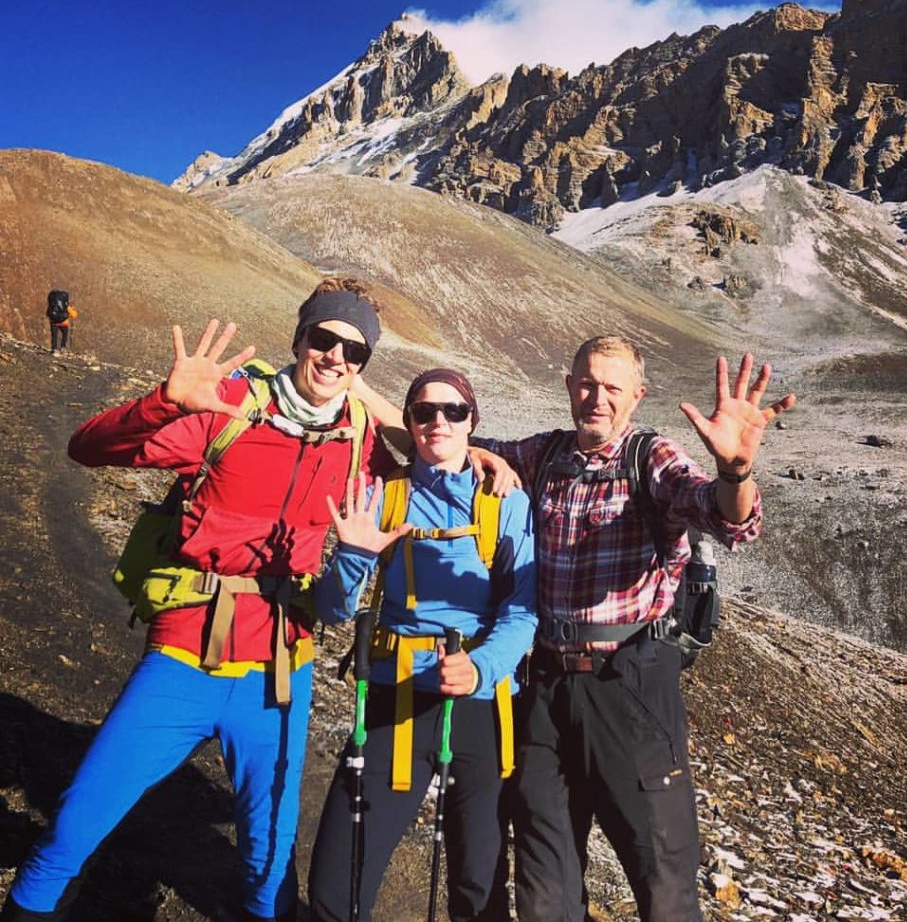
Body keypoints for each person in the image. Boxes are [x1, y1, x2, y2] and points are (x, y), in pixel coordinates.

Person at [357, 337, 796, 921]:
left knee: (662, 883)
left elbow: (724, 516)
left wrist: (734, 468)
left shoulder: (652, 459)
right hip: (543, 691)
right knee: (543, 886)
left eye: (613, 388)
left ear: (636, 397)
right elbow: (441, 441)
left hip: (629, 688)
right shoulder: (544, 454)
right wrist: (354, 388)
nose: (597, 398)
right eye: (587, 384)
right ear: (569, 386)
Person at [2, 277, 396, 922]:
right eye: (324, 339)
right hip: (186, 653)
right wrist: (165, 401)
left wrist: (490, 461)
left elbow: (439, 443)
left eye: (355, 352)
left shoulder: (358, 443)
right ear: (300, 339)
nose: (335, 359)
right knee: (77, 821)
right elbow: (89, 447)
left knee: (270, 856)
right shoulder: (230, 410)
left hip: (280, 670)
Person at [308, 368, 537, 922]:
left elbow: (524, 609)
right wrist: (354, 557)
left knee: (479, 878)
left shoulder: (506, 502)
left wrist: (480, 668)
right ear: (409, 423)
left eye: (453, 412)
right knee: (338, 879)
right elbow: (334, 608)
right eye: (425, 412)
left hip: (483, 703)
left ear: (472, 423)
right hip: (395, 695)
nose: (439, 421)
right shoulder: (381, 498)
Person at [45, 290, 77, 354]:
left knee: (54, 336)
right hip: (64, 323)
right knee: (64, 335)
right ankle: (63, 347)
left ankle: (54, 348)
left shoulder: (52, 305)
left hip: (54, 322)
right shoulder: (66, 306)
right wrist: (70, 313)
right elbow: (74, 315)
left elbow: (47, 313)